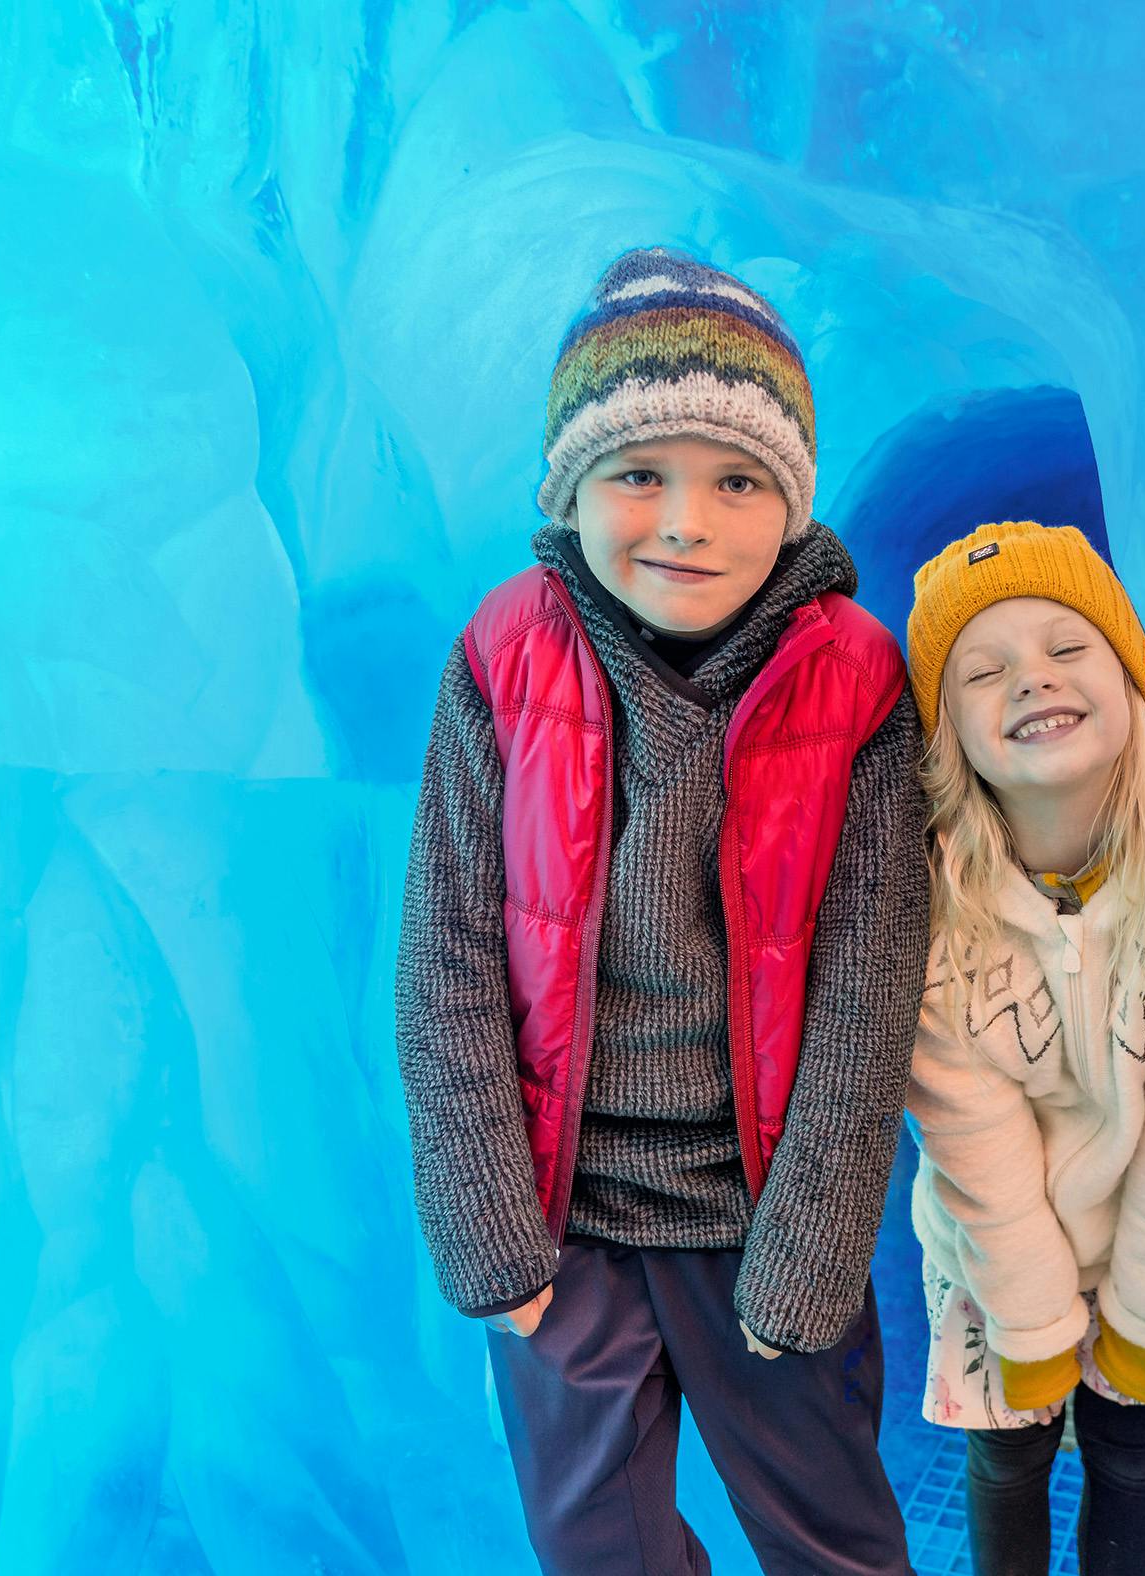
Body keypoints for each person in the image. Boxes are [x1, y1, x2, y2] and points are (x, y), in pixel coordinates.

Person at [394, 246, 928, 1574]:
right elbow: (446, 955)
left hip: (758, 1211)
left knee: (833, 1541)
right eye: (639, 475)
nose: (685, 521)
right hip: (565, 1222)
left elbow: (868, 984)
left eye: (736, 481)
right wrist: (494, 1242)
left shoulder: (854, 677)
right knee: (599, 1550)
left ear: (790, 505)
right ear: (569, 491)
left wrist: (805, 1254)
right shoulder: (503, 653)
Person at [900, 521, 1145, 1574]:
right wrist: (1026, 1319)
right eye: (983, 670)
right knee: (1006, 1456)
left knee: (1129, 1445)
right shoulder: (923, 900)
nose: (1031, 679)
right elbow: (964, 1124)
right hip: (989, 1247)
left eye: (1068, 649)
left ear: (1127, 682)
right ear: (947, 737)